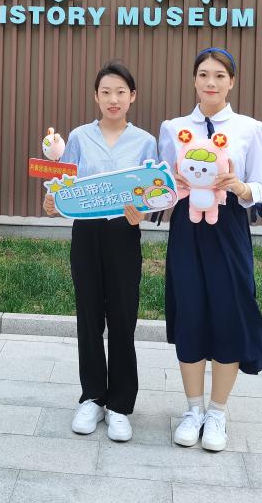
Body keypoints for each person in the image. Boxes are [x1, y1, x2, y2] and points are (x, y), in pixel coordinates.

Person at [157, 47, 262, 452]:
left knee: (229, 312)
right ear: (194, 79)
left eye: (220, 75)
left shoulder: (249, 128)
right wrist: (168, 186)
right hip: (187, 229)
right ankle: (193, 410)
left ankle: (218, 412)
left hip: (229, 228)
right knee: (190, 311)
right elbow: (161, 185)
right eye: (204, 74)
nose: (211, 82)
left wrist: (241, 188)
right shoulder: (173, 128)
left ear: (232, 82)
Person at [42, 60, 157, 442]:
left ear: (132, 96)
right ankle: (92, 397)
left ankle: (120, 404)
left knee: (123, 318)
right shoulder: (78, 137)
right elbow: (63, 184)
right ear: (96, 96)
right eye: (106, 92)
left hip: (124, 233)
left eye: (120, 92)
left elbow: (153, 193)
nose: (113, 99)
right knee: (89, 315)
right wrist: (52, 202)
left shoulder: (145, 141)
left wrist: (143, 212)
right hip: (87, 233)